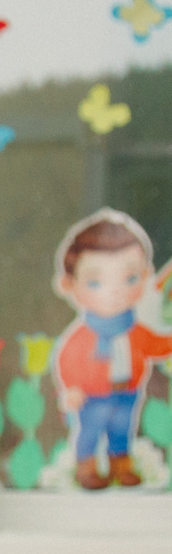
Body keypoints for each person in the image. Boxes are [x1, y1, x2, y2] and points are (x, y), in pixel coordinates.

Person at [51, 209, 172, 491]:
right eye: (96, 282)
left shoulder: (135, 331)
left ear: (145, 276)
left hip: (127, 394)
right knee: (89, 433)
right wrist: (71, 389)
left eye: (129, 278)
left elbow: (154, 345)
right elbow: (68, 359)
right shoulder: (81, 337)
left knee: (122, 432)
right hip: (94, 397)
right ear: (68, 285)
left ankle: (121, 465)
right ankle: (87, 467)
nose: (115, 291)